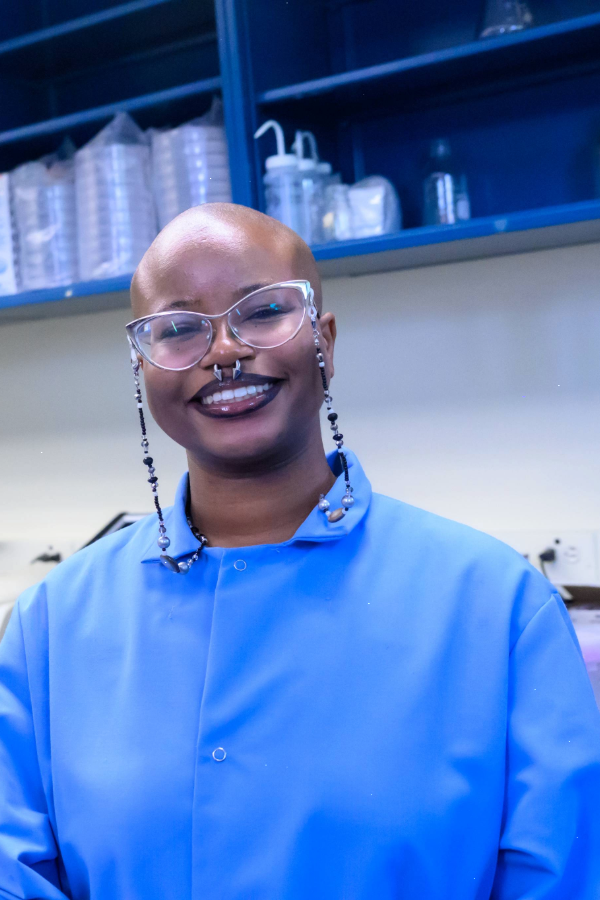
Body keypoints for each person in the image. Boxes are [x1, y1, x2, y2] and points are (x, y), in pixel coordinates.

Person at [0, 203, 599, 900]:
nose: (223, 352)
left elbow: (560, 878)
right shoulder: (50, 624)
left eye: (262, 312)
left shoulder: (497, 607)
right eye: (177, 329)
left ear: (326, 340)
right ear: (143, 368)